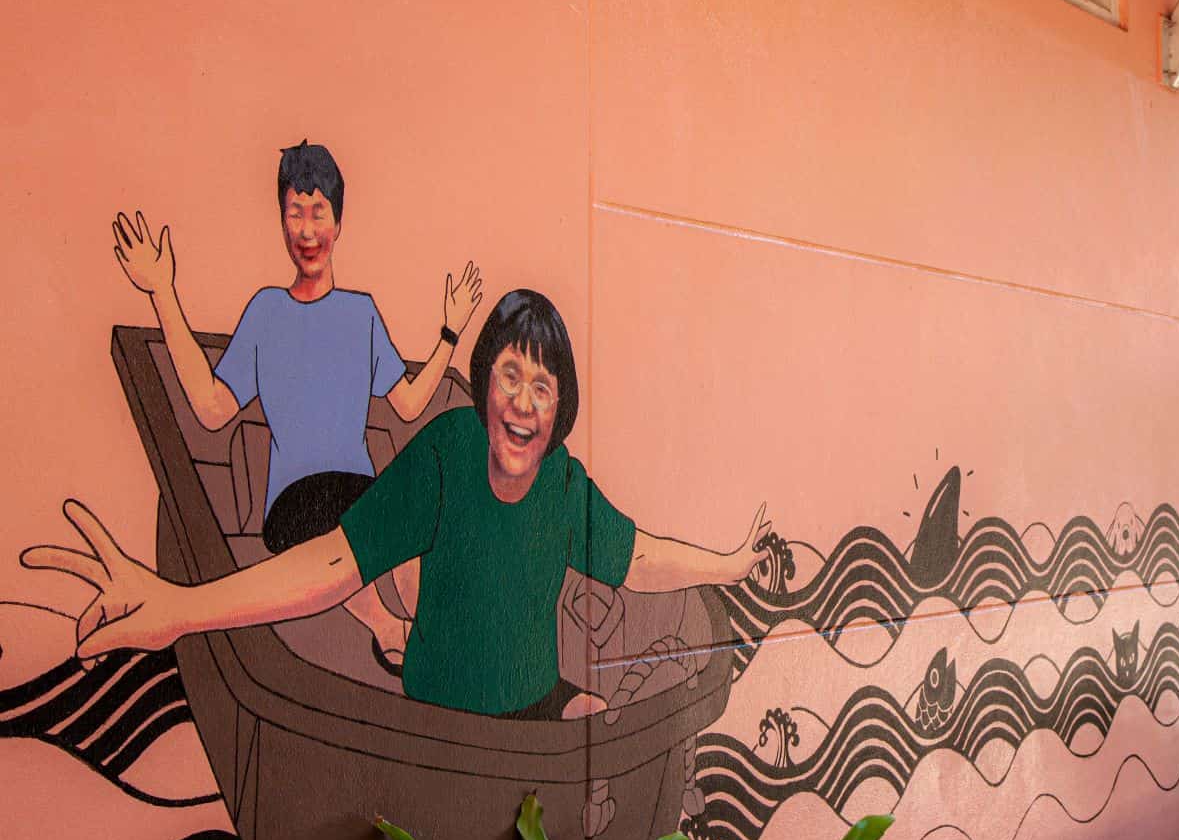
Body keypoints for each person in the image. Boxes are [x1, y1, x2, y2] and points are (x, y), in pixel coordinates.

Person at [23, 289, 769, 720]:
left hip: (535, 700)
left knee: (594, 724)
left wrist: (731, 565)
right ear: (484, 383)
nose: (522, 401)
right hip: (441, 711)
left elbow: (640, 561)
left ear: (559, 407)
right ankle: (395, 638)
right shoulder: (447, 451)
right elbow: (332, 563)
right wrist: (181, 609)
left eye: (542, 388)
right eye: (510, 376)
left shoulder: (563, 485)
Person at [111, 140, 482, 674]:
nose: (307, 231)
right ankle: (388, 627)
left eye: (318, 212)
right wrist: (162, 292)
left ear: (339, 222)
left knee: (411, 522)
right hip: (297, 501)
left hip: (363, 492)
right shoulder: (266, 312)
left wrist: (449, 332)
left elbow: (406, 406)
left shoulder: (361, 313)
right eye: (295, 213)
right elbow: (213, 408)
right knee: (354, 530)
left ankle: (430, 635)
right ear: (281, 222)